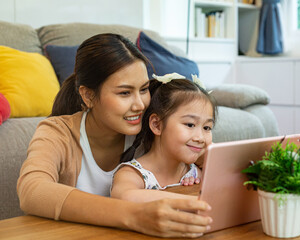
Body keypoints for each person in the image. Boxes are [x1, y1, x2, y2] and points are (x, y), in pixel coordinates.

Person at [17, 33, 212, 238]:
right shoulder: (57, 133)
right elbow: (33, 191)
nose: (140, 105)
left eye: (144, 89)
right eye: (124, 93)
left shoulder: (150, 125)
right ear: (88, 95)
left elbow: (207, 154)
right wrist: (134, 215)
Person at [111, 74, 217, 202]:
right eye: (190, 124)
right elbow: (124, 196)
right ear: (157, 125)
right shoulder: (133, 174)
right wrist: (191, 198)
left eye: (207, 128)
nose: (200, 138)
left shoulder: (195, 173)